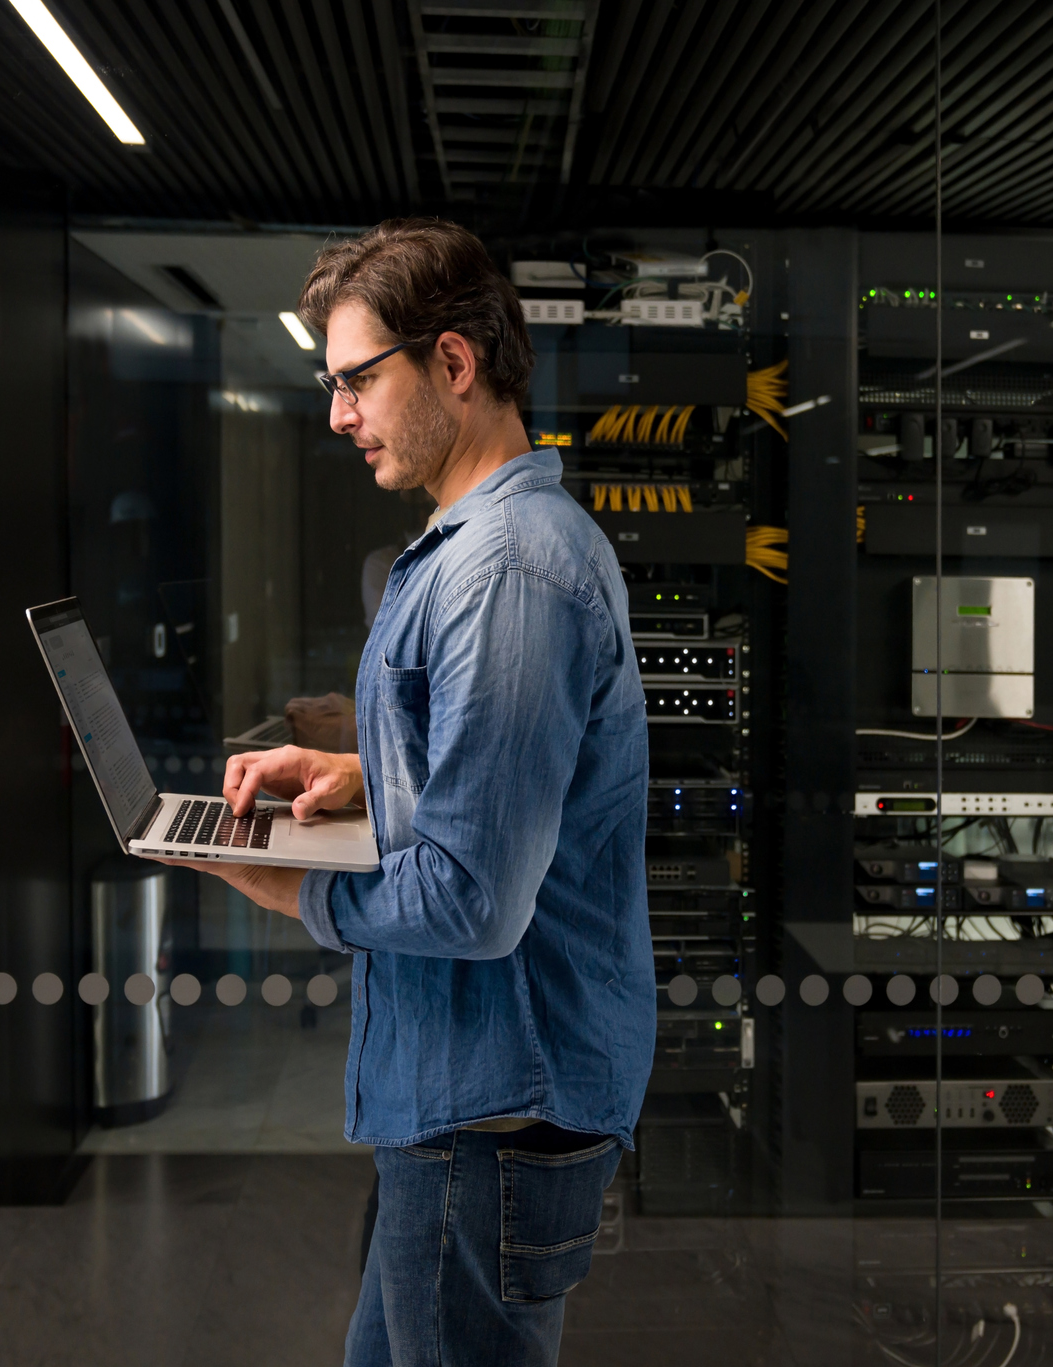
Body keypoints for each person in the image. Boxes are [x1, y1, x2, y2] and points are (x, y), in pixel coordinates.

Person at [168, 218, 653, 1367]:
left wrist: (283, 884)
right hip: (464, 1101)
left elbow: (476, 899)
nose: (338, 414)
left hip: (490, 1108)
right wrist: (355, 776)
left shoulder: (508, 574)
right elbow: (493, 797)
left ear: (452, 362)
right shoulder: (476, 543)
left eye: (355, 380)